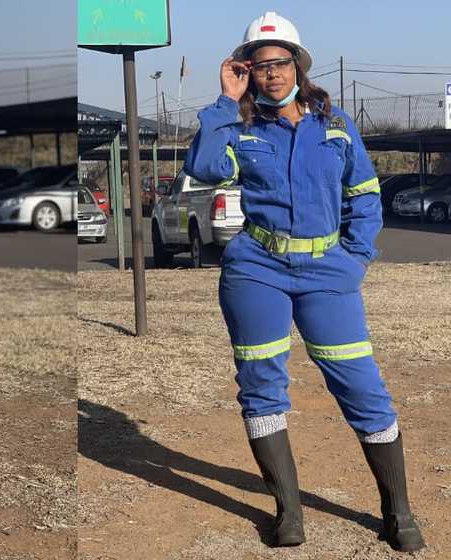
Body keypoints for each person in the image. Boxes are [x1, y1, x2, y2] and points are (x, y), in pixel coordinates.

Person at [184, 12, 423, 552]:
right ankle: (288, 511)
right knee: (261, 386)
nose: (270, 73)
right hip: (256, 269)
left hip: (328, 272)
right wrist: (225, 100)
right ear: (247, 69)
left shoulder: (335, 127)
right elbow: (202, 168)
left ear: (298, 65)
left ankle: (398, 511)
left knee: (362, 387)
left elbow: (364, 196)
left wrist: (356, 258)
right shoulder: (240, 127)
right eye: (258, 64)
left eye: (279, 62)